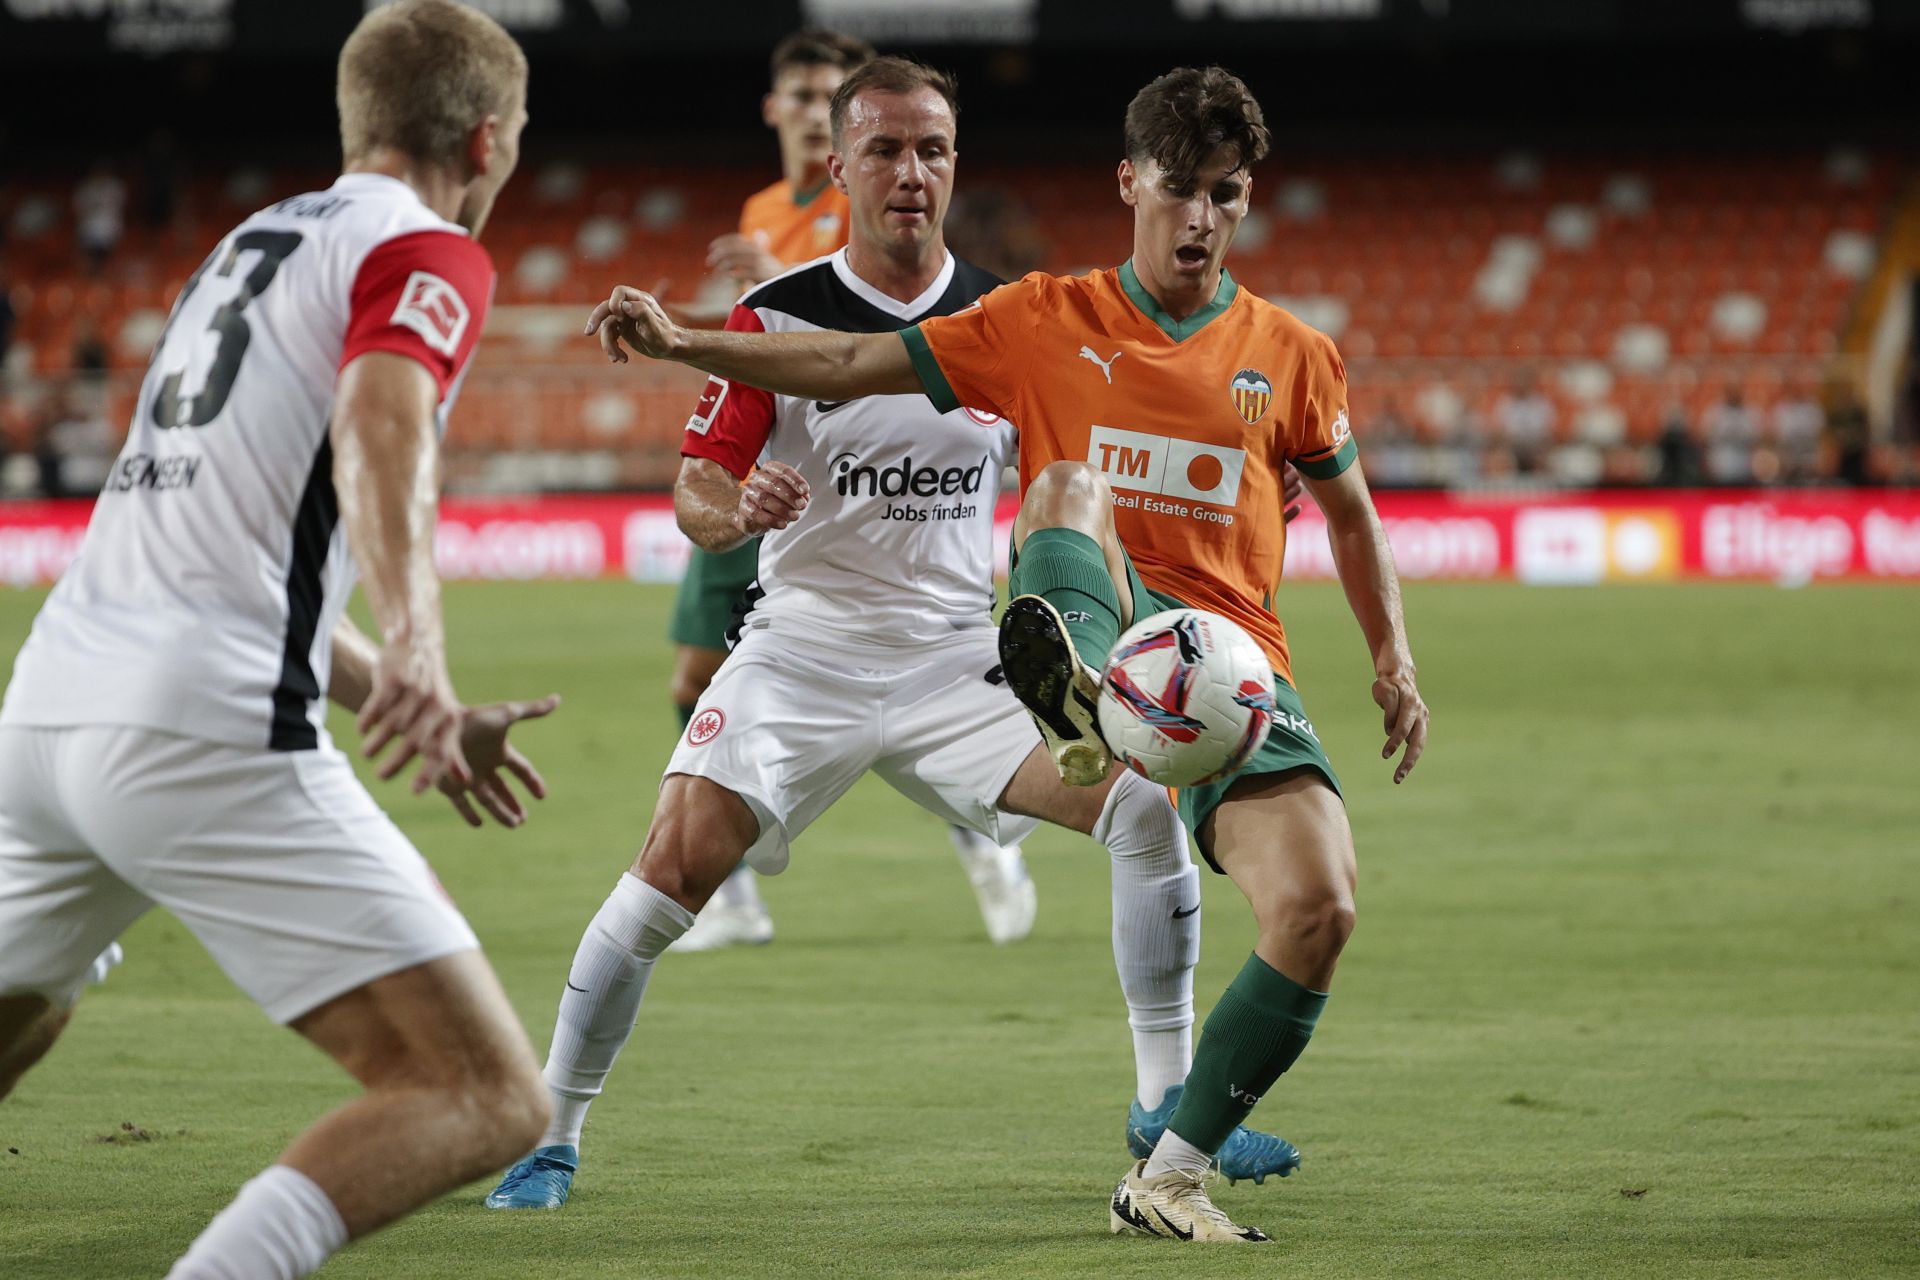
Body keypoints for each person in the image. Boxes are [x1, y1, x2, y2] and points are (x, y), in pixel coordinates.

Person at [584, 64, 1430, 1244]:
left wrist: (1391, 656)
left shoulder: (1290, 352)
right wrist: (688, 345)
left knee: (1320, 905)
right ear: (1129, 181)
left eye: (1225, 194)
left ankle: (1169, 1148)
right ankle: (1079, 694)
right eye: (1179, 188)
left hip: (1230, 668)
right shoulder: (1037, 318)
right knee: (1066, 485)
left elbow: (1350, 514)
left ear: (1246, 200)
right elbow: (839, 361)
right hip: (1093, 634)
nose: (1199, 216)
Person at [0, 5, 556, 1277]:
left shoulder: (246, 244)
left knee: (21, 1001)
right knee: (481, 1093)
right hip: (197, 725)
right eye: (514, 142)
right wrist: (417, 642)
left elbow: (237, 549)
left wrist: (384, 684)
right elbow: (382, 412)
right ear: (485, 141)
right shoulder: (426, 250)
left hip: (49, 709)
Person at [664, 29, 1036, 953]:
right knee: (689, 681)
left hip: (945, 636)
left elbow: (851, 346)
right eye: (884, 151)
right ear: (839, 158)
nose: (909, 171)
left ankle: (980, 835)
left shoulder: (1003, 315)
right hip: (800, 595)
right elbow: (706, 471)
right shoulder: (770, 234)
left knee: (1144, 817)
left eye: (930, 150)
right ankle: (734, 897)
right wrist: (735, 504)